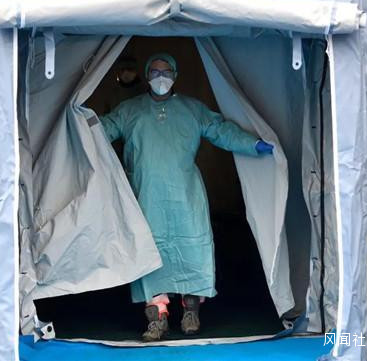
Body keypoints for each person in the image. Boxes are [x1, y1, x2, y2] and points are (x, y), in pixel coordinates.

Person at [99, 53, 274, 341]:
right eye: (155, 71)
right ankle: (157, 319)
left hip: (186, 195)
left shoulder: (192, 109)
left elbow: (221, 131)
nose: (161, 77)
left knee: (191, 249)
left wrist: (253, 144)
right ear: (146, 75)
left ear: (176, 74)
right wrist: (73, 123)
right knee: (150, 254)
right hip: (147, 196)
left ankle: (191, 311)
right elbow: (101, 130)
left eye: (166, 71)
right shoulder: (130, 110)